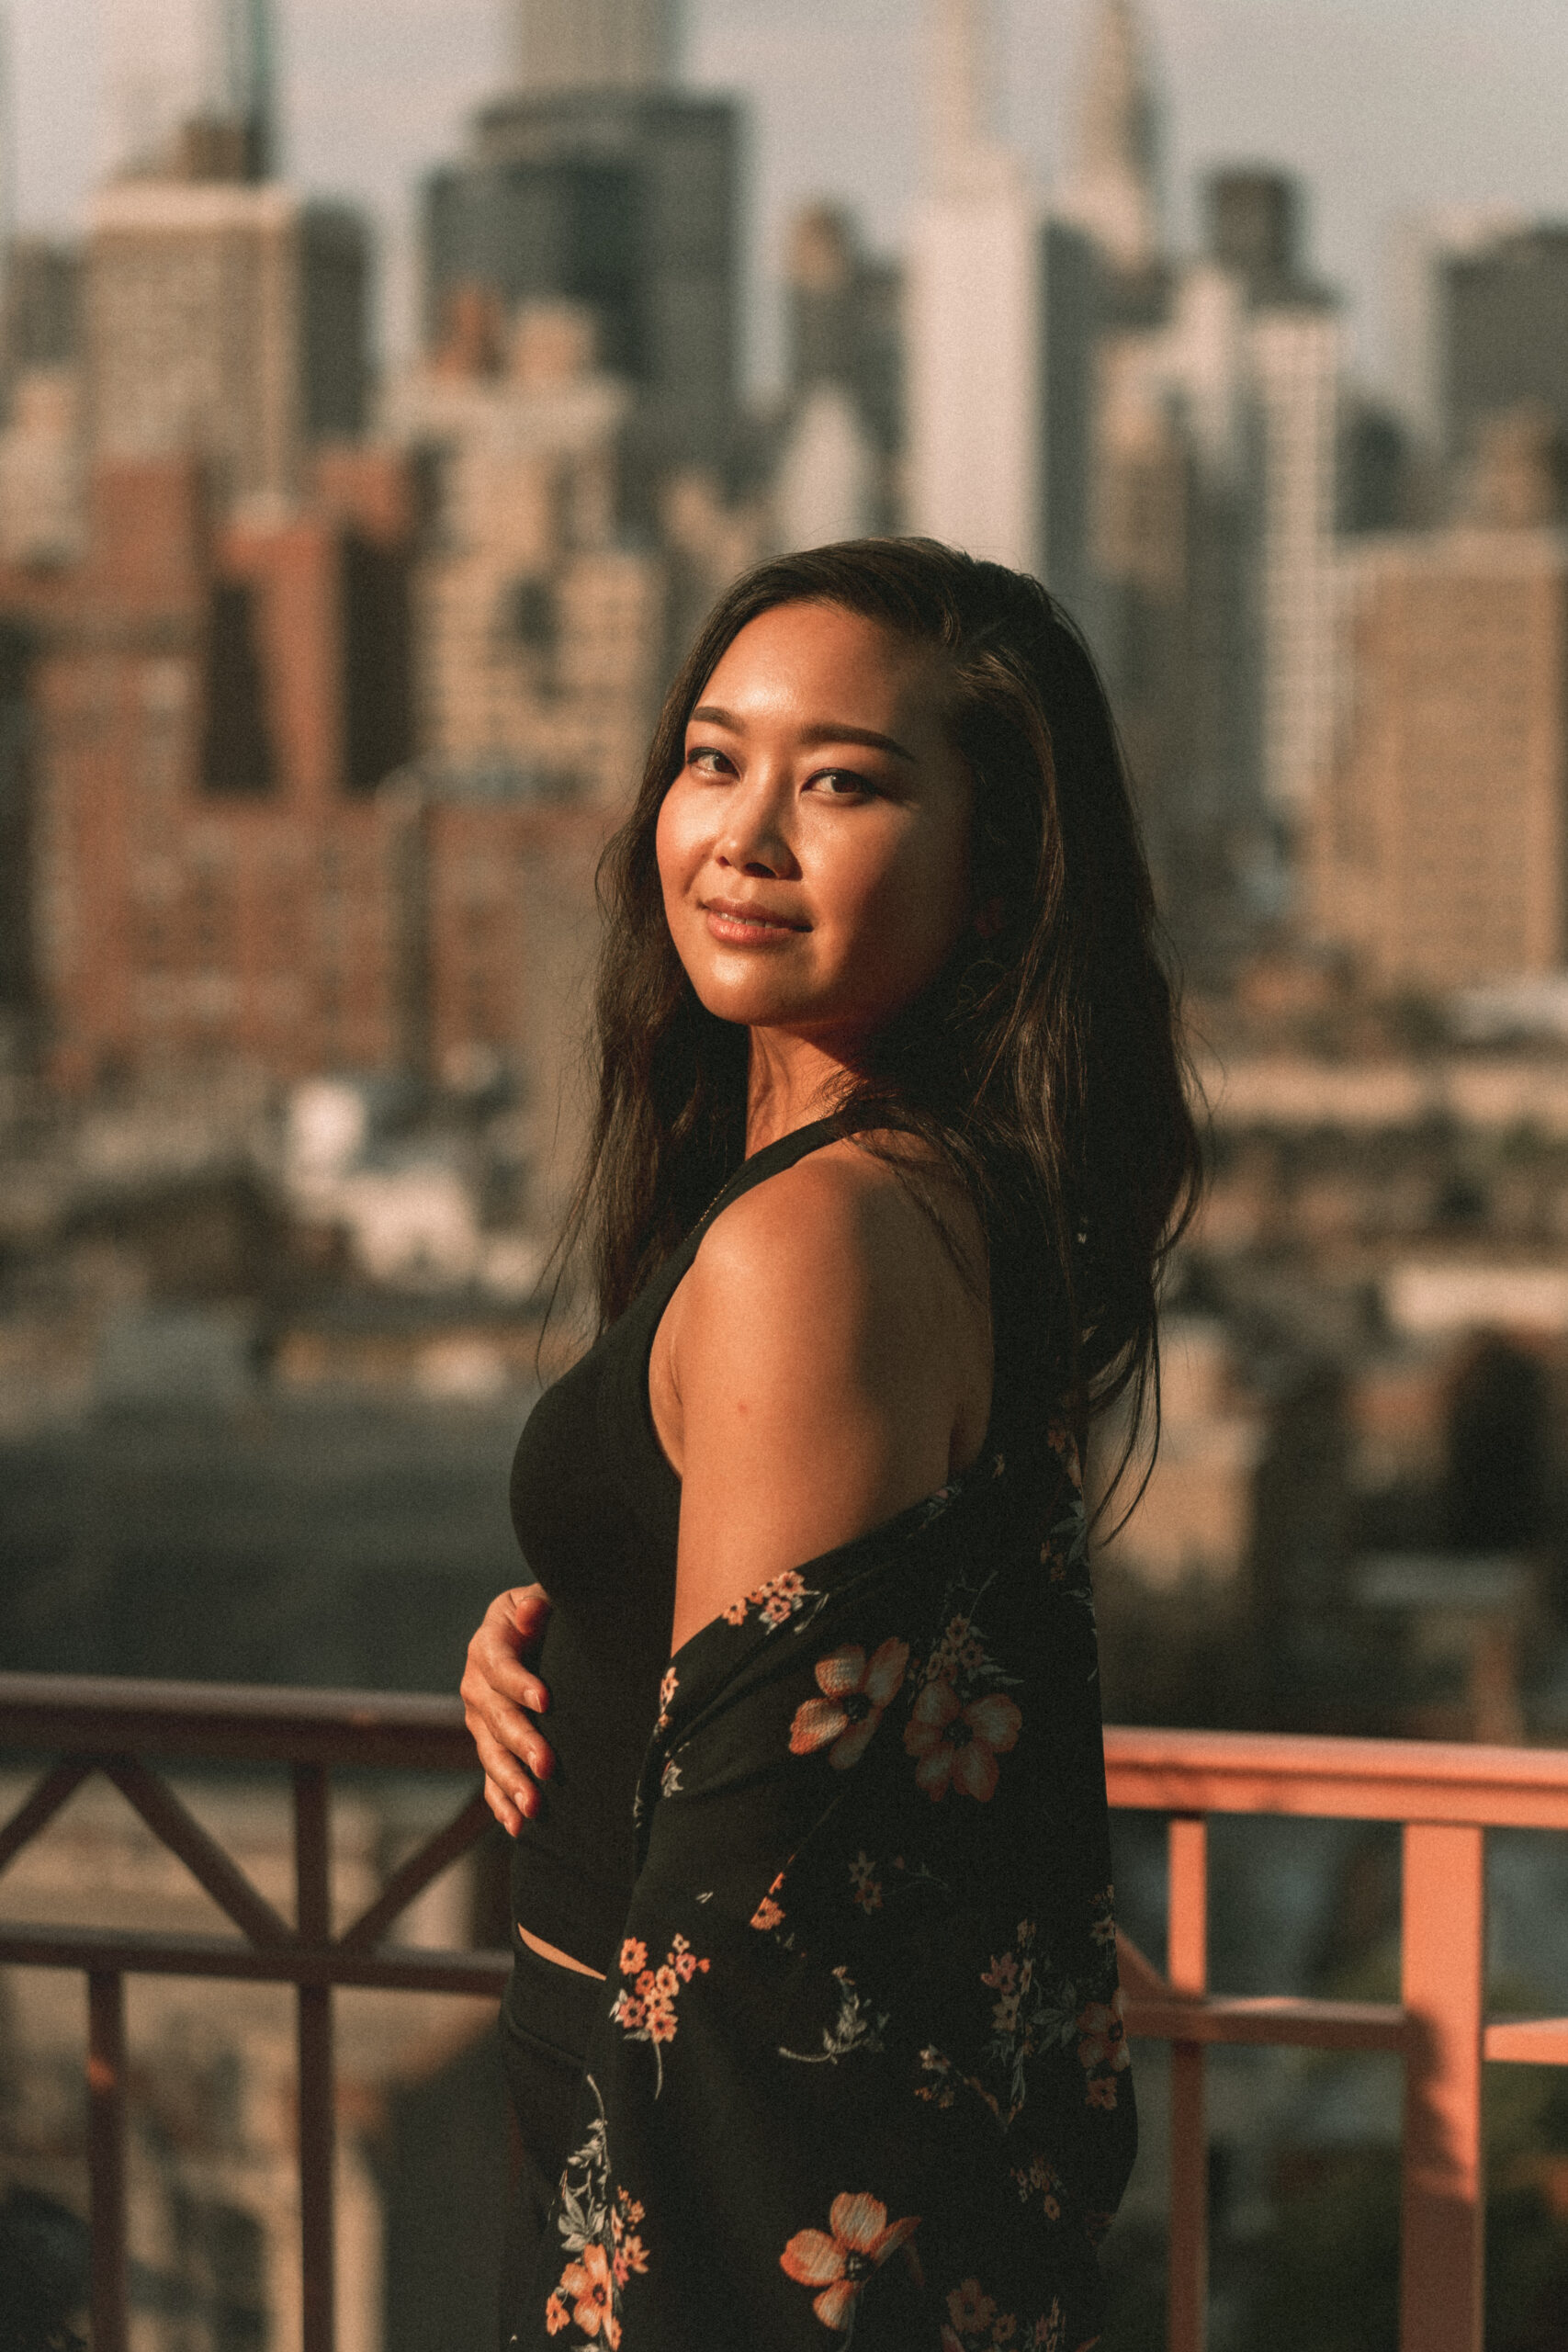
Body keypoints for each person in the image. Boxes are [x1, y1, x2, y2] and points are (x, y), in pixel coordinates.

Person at [461, 538, 1200, 2349]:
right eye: (712, 760)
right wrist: (582, 1601)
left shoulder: (820, 1233)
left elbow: (741, 1948)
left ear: (993, 868)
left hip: (679, 2229)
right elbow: (845, 1676)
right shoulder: (909, 1194)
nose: (742, 833)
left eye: (843, 782)